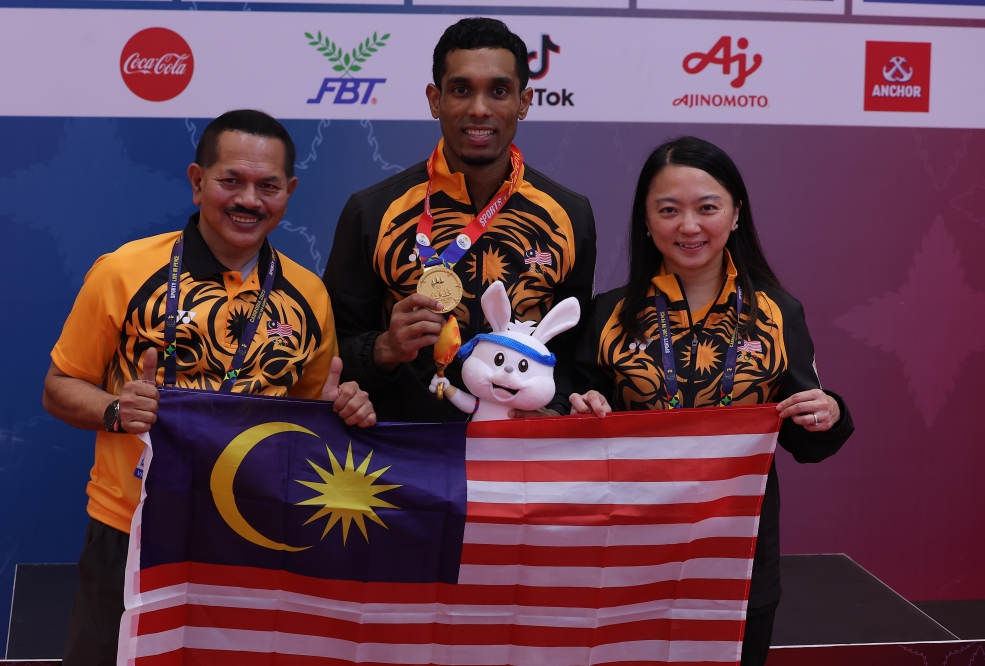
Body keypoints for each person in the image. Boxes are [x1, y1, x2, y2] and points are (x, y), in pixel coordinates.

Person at [42, 109, 377, 666]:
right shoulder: (123, 271)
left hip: (251, 530)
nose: (249, 199)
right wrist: (114, 410)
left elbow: (308, 413)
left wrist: (343, 408)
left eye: (268, 186)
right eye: (231, 181)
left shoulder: (308, 294)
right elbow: (59, 387)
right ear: (198, 182)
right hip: (133, 528)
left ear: (288, 192)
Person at [569, 136, 855, 665]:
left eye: (707, 208)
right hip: (624, 558)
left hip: (738, 562)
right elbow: (568, 419)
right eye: (669, 210)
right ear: (647, 221)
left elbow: (805, 439)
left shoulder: (776, 313)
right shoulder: (607, 315)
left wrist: (828, 413)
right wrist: (576, 407)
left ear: (736, 213)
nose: (690, 226)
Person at [324, 17, 596, 422]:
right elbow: (329, 348)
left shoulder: (569, 215)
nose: (479, 109)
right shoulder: (373, 211)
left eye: (499, 91)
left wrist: (555, 409)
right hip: (404, 458)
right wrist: (383, 349)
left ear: (524, 101)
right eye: (461, 90)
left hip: (517, 460)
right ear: (435, 99)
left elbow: (573, 352)